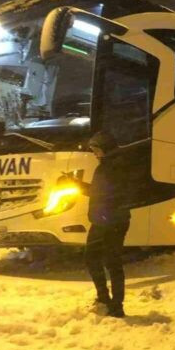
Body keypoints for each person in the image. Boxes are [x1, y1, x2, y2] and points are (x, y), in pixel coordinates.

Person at [66, 131, 131, 318]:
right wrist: (78, 185)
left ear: (105, 148)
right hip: (110, 220)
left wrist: (79, 186)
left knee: (99, 259)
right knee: (111, 261)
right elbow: (100, 193)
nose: (94, 152)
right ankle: (113, 303)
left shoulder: (111, 167)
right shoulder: (113, 165)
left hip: (107, 221)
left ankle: (110, 302)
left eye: (96, 149)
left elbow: (104, 195)